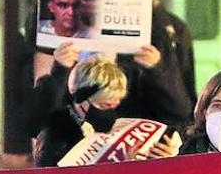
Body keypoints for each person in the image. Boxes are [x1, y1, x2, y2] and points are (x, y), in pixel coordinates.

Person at [33, 48, 182, 166]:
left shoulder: (131, 116)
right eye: (105, 104)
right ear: (81, 100)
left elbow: (179, 114)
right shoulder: (56, 133)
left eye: (117, 102)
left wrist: (164, 158)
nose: (113, 109)